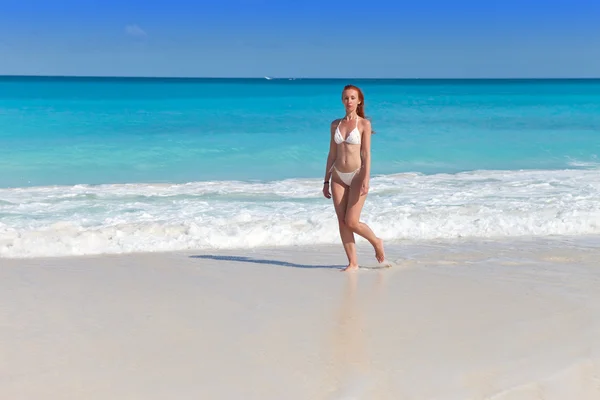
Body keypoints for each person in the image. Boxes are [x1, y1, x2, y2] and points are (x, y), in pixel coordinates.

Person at [322, 85, 385, 271]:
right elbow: (331, 154)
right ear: (342, 101)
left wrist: (366, 178)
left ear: (359, 101)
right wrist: (326, 181)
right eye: (346, 98)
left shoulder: (364, 124)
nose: (349, 101)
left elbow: (366, 153)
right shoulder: (335, 124)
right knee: (341, 221)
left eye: (352, 98)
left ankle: (376, 241)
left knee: (352, 221)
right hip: (338, 177)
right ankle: (353, 263)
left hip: (357, 175)